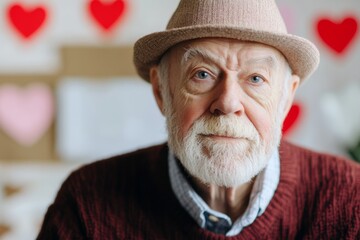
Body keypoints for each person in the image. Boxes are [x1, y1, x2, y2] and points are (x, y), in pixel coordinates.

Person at [37, 0, 360, 239]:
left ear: (286, 98)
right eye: (202, 74)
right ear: (162, 92)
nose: (228, 102)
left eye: (256, 79)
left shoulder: (349, 200)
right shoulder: (86, 204)